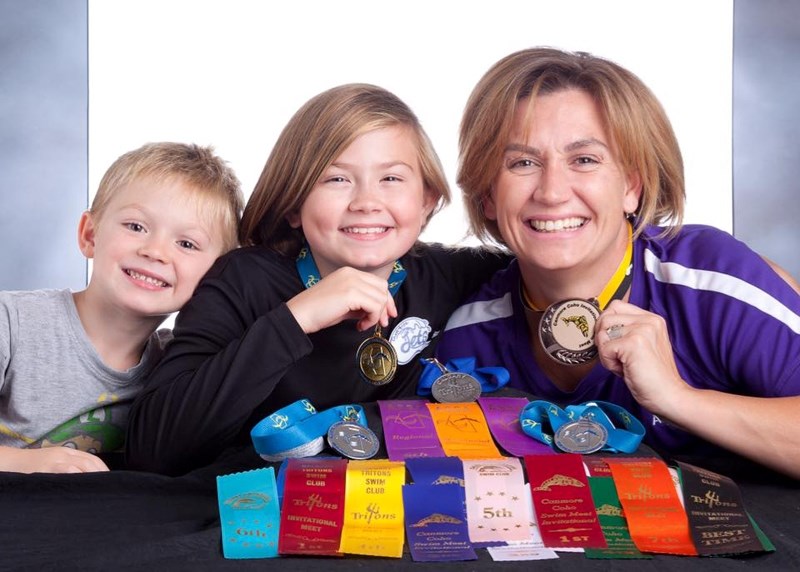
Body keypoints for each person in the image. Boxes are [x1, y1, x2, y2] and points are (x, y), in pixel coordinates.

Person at [436, 47, 800, 478]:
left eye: (584, 160)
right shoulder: (466, 338)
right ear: (488, 195)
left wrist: (677, 398)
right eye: (523, 163)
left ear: (632, 186)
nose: (552, 192)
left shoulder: (712, 282)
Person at [126, 84, 509, 476]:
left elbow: (546, 266)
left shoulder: (452, 275)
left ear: (426, 200)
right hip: (250, 512)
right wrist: (293, 321)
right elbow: (153, 447)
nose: (366, 202)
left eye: (391, 179)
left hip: (384, 510)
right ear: (294, 204)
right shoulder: (242, 280)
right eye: (337, 180)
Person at [0, 142, 244, 474]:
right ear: (89, 234)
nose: (155, 251)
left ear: (215, 276)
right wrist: (25, 462)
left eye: (186, 244)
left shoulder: (179, 371)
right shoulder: (12, 323)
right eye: (136, 227)